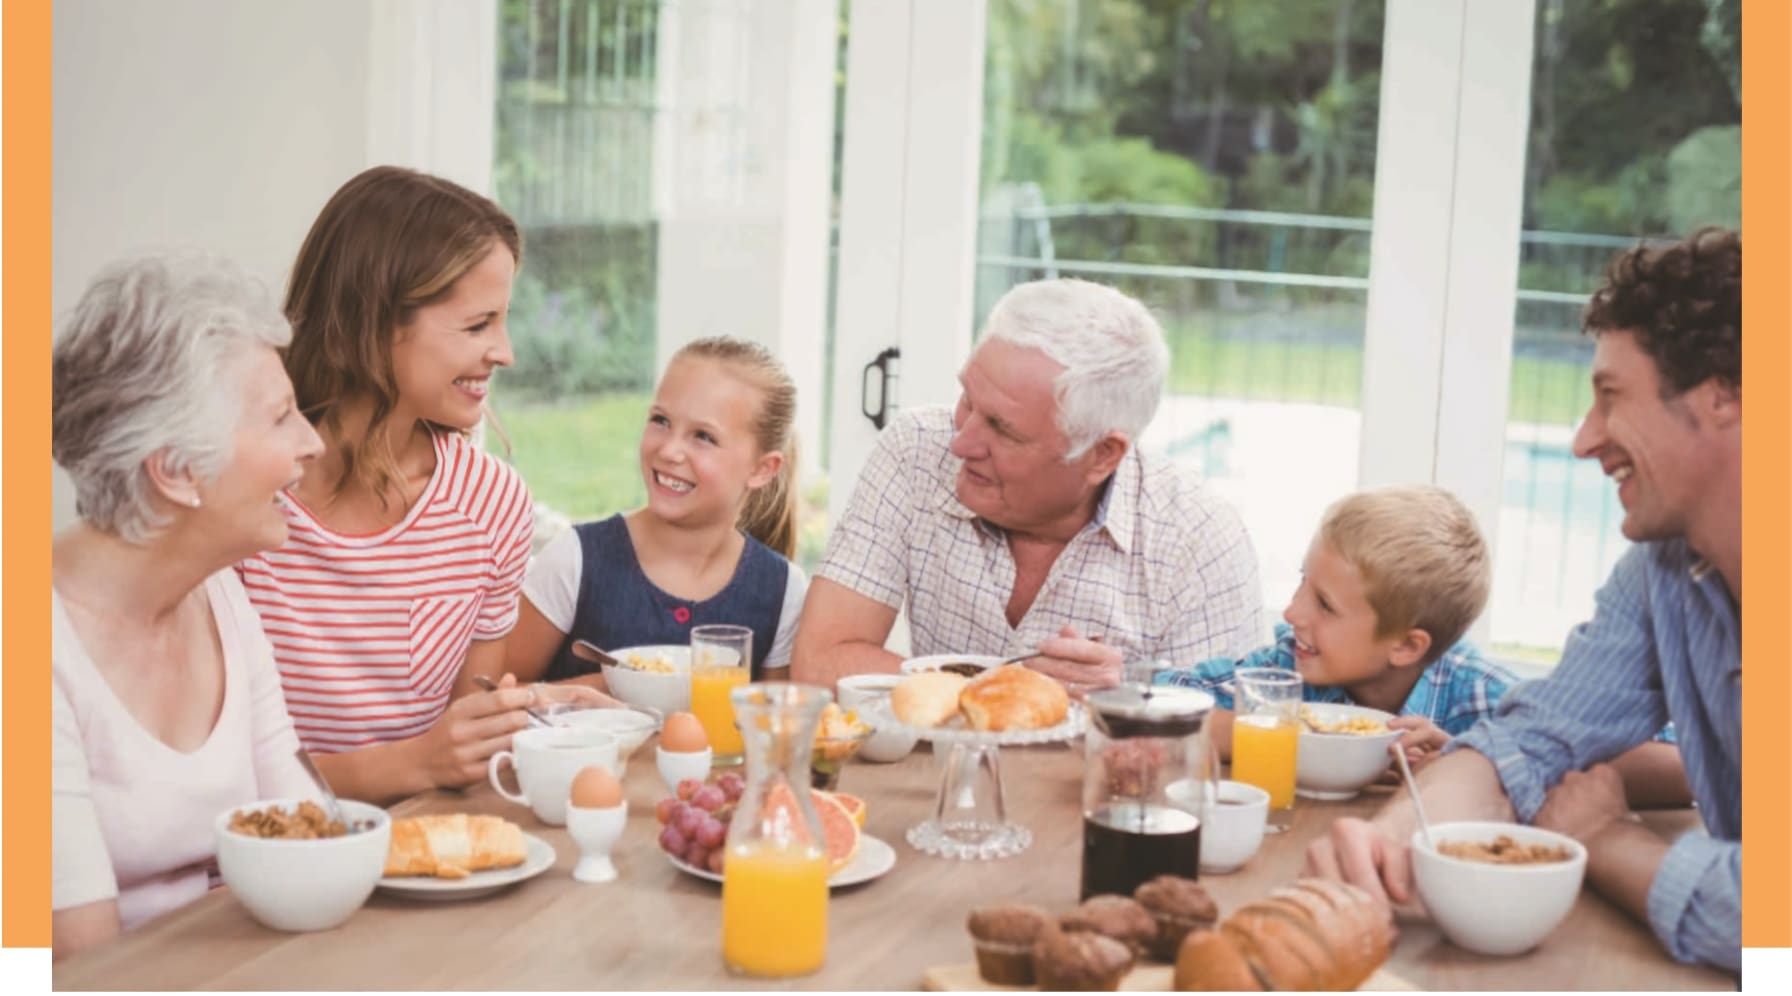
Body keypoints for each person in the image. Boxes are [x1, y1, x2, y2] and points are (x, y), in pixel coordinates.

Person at [1308, 228, 1741, 973]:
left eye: (1611, 397)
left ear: (1724, 394)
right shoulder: (1661, 573)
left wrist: (1608, 839)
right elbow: (1532, 741)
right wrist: (1395, 834)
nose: (1583, 440)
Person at [236, 166, 605, 806]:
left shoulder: (491, 504)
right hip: (256, 870)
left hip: (418, 855)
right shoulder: (242, 495)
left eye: (503, 320)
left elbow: (461, 753)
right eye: (477, 324)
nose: (505, 352)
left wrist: (530, 710)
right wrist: (414, 763)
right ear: (373, 321)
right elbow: (217, 777)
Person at [51, 253, 328, 958]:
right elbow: (82, 965)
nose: (313, 443)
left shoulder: (220, 594)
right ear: (176, 471)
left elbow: (310, 845)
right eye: (281, 417)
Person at [791, 278, 1264, 690]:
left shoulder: (1200, 538)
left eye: (1003, 429)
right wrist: (1015, 689)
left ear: (1102, 455)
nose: (962, 442)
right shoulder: (916, 450)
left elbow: (1217, 741)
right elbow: (821, 663)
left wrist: (1130, 695)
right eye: (967, 400)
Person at [505, 336, 807, 683]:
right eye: (661, 420)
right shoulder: (575, 561)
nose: (669, 450)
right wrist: (602, 688)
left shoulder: (783, 590)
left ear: (762, 469)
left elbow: (773, 724)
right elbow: (491, 701)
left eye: (703, 437)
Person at [1156, 485, 1511, 767]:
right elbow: (1158, 703)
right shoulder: (1285, 670)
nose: (1292, 613)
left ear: (1405, 646)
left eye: (1325, 605)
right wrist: (1256, 731)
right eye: (1302, 581)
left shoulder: (1487, 703)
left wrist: (1466, 766)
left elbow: (1554, 792)